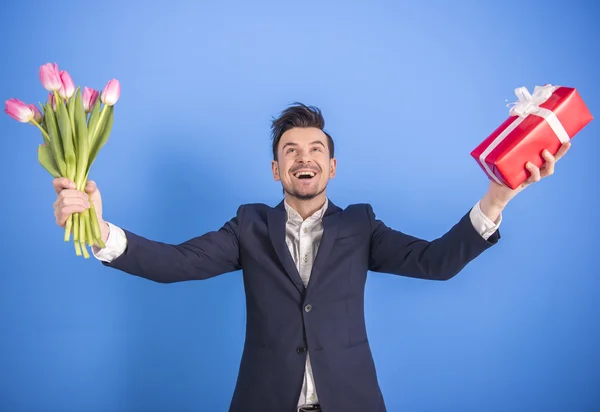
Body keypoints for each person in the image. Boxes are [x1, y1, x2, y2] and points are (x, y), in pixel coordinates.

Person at [52, 103, 569, 412]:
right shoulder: (249, 226)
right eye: (291, 150)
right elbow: (174, 263)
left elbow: (435, 261)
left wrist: (498, 197)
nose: (305, 157)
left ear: (332, 166)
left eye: (316, 149)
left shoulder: (360, 225)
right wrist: (98, 229)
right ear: (276, 170)